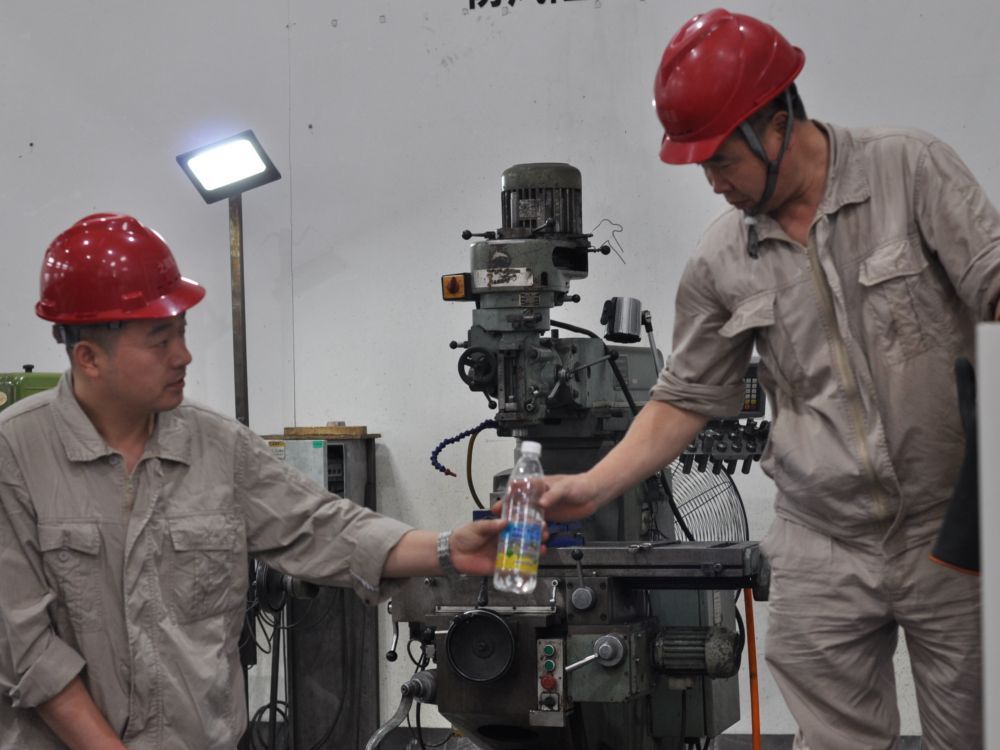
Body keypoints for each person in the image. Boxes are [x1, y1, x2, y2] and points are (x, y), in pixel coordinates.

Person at [539, 8, 1000, 749]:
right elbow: (684, 397)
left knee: (974, 732)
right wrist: (592, 486)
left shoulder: (911, 172)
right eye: (701, 167)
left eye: (722, 160)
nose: (713, 183)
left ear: (776, 124)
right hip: (822, 537)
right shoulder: (720, 260)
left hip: (947, 526)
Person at [0, 213, 507, 749]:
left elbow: (321, 526)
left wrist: (450, 550)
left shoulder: (219, 446)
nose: (183, 355)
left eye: (182, 333)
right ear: (89, 357)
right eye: (159, 340)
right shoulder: (16, 455)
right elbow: (25, 646)